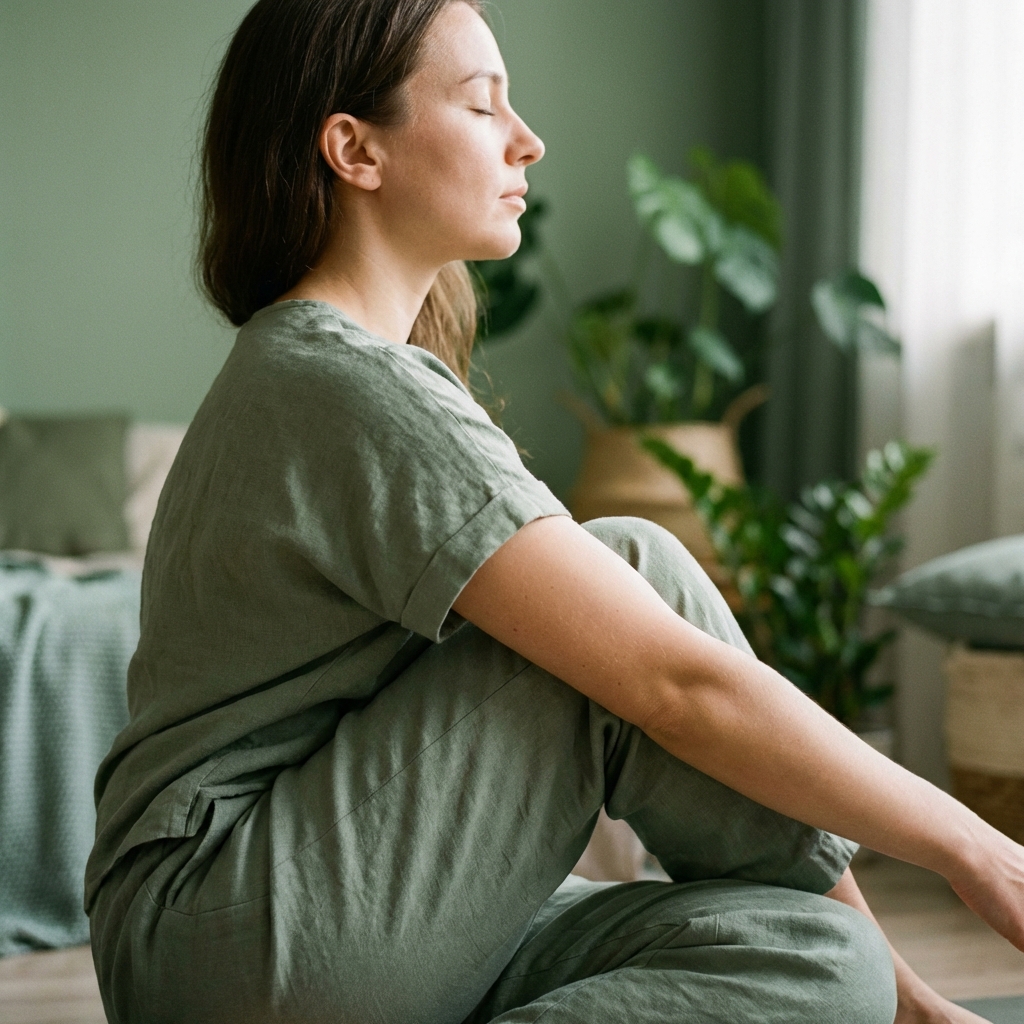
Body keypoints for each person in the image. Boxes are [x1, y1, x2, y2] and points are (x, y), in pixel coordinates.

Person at [86, 1, 1022, 1021]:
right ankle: (921, 1013)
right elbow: (674, 683)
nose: (526, 139)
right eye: (483, 105)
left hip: (293, 926)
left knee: (824, 958)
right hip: (227, 937)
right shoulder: (338, 384)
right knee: (636, 567)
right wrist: (974, 849)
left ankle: (908, 1008)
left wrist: (901, 989)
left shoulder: (341, 371)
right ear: (353, 149)